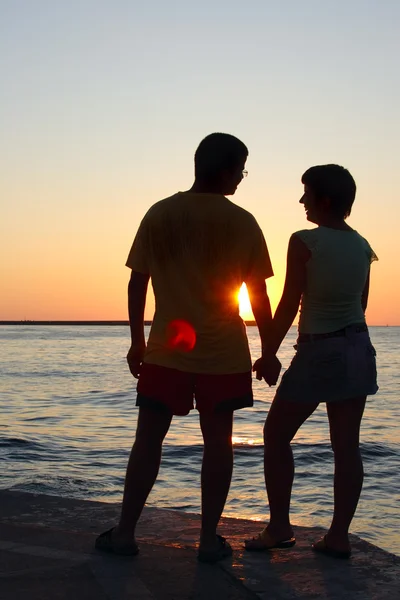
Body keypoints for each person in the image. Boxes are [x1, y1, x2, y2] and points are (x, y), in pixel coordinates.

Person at [95, 133, 280, 563]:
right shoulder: (244, 222)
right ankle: (208, 539)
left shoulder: (160, 213)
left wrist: (137, 341)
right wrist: (269, 349)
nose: (242, 177)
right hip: (223, 354)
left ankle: (124, 533)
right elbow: (259, 296)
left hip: (166, 351)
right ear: (225, 170)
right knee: (219, 443)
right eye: (241, 169)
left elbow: (137, 281)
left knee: (148, 442)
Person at [245, 164, 378, 559]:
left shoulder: (304, 241)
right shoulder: (363, 245)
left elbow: (289, 301)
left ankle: (279, 526)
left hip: (320, 350)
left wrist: (269, 353)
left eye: (306, 193)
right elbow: (362, 305)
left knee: (275, 435)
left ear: (323, 199)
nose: (301, 200)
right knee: (347, 448)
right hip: (358, 347)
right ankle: (338, 536)